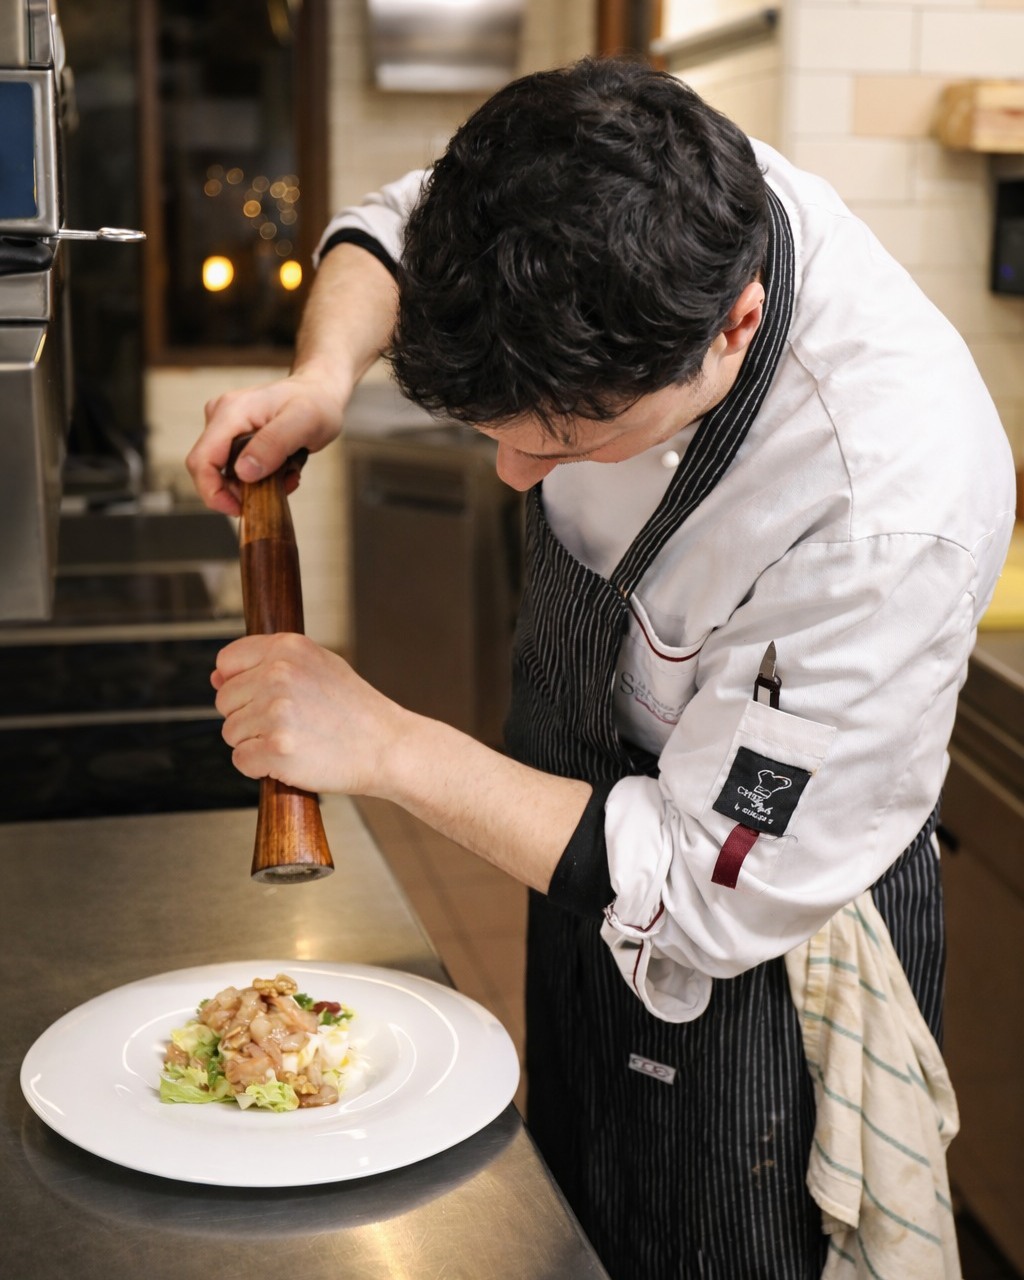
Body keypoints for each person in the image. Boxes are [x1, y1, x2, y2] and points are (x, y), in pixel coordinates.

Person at [187, 57, 1016, 1279]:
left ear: (734, 326)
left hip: (758, 947)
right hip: (577, 844)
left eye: (567, 440)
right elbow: (394, 228)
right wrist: (323, 380)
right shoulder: (609, 182)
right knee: (577, 1199)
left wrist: (385, 743)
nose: (517, 478)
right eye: (496, 434)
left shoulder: (881, 505)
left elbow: (705, 888)